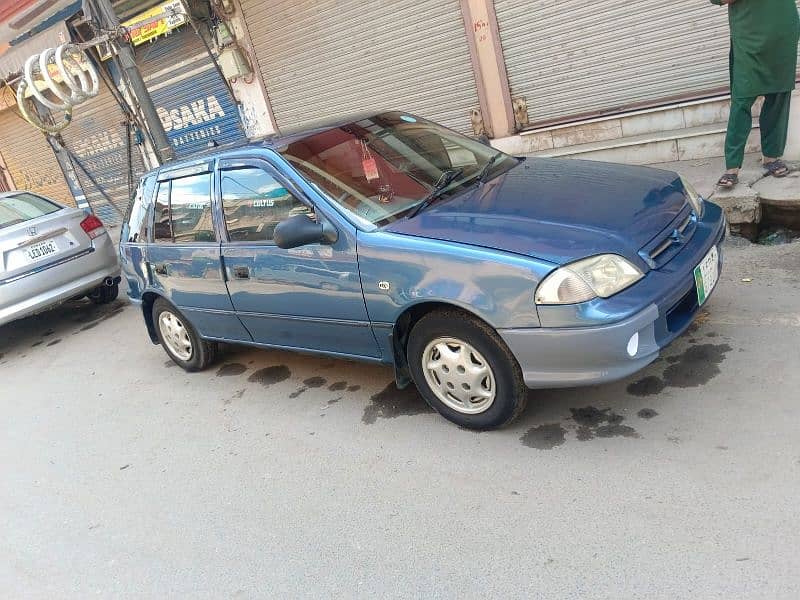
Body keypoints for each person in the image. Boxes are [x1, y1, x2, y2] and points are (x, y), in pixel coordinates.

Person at [712, 0, 800, 189]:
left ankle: (771, 157)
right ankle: (732, 167)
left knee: (779, 96)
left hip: (782, 34)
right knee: (741, 100)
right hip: (748, 37)